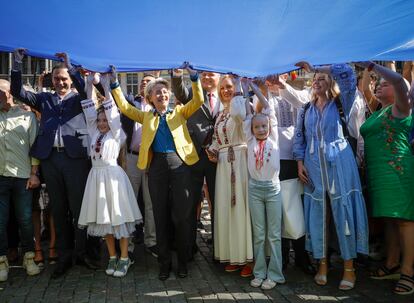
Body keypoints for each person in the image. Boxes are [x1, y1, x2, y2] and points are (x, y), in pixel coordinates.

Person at [10, 49, 99, 279]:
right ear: (52, 80)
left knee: (79, 208)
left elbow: (83, 86)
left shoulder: (80, 99)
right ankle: (63, 256)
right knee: (58, 209)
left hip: (75, 159)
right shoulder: (44, 99)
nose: (60, 83)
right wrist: (17, 63)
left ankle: (83, 252)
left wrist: (70, 66)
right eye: (57, 79)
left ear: (70, 80)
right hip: (51, 159)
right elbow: (17, 91)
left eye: (64, 79)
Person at [110, 63, 204, 280]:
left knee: (181, 216)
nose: (161, 94)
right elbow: (124, 107)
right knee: (159, 215)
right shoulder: (146, 116)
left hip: (180, 164)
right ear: (150, 97)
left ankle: (182, 262)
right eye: (156, 92)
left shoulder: (179, 112)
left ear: (169, 94)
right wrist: (115, 82)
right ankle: (164, 263)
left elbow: (198, 100)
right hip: (156, 167)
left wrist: (194, 77)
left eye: (164, 91)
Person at [293, 62, 369, 290]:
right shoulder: (306, 109)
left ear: (331, 81)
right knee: (319, 214)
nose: (317, 81)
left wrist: (319, 66)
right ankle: (322, 264)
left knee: (343, 211)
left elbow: (347, 76)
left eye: (322, 78)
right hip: (313, 165)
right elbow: (299, 138)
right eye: (314, 78)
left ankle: (349, 268)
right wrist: (299, 163)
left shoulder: (341, 102)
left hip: (340, 164)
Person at [78, 74, 142, 277]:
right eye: (100, 120)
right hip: (96, 178)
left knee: (119, 219)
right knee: (104, 219)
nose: (102, 122)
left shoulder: (117, 134)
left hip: (113, 179)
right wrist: (89, 85)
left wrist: (105, 86)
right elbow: (88, 110)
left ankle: (124, 258)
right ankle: (112, 256)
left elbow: (112, 112)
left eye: (105, 120)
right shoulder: (94, 132)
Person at [358, 61, 414, 295]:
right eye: (377, 84)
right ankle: (392, 262)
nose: (379, 86)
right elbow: (363, 90)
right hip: (379, 174)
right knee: (390, 219)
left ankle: (408, 272)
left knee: (405, 220)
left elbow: (400, 81)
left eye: (384, 84)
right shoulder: (378, 110)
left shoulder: (401, 108)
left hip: (398, 172)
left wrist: (374, 66)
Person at [207, 75, 253, 277]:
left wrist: (238, 93)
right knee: (227, 209)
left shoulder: (241, 104)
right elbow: (219, 138)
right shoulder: (220, 113)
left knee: (241, 208)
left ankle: (248, 258)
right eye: (223, 87)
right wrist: (213, 150)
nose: (226, 90)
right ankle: (233, 255)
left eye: (229, 86)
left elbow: (242, 120)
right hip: (223, 164)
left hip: (240, 161)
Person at [171, 69, 220, 254]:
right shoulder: (193, 93)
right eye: (204, 74)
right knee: (190, 204)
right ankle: (189, 247)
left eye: (211, 74)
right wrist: (177, 76)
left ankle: (219, 245)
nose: (207, 77)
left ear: (219, 78)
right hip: (193, 155)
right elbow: (179, 91)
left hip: (218, 158)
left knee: (218, 202)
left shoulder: (225, 94)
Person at [243, 79, 285, 290]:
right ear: (251, 129)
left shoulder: (274, 138)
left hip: (272, 188)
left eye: (264, 126)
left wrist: (253, 88)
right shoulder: (250, 140)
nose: (261, 129)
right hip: (255, 189)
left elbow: (267, 107)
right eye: (257, 127)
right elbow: (246, 110)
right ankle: (260, 272)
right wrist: (244, 89)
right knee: (259, 234)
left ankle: (275, 274)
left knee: (274, 234)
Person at [0, 79, 41, 281]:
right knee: (0, 220)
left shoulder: (27, 117)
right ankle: (2, 261)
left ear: (9, 93)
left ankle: (29, 257)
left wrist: (34, 173)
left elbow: (34, 147)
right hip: (0, 176)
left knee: (25, 219)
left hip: (22, 176)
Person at [122, 73, 158, 257]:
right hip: (132, 158)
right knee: (128, 200)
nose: (144, 83)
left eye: (148, 81)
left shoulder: (159, 106)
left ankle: (152, 241)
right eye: (142, 81)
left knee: (151, 202)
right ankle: (126, 245)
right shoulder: (131, 102)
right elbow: (115, 94)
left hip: (152, 159)